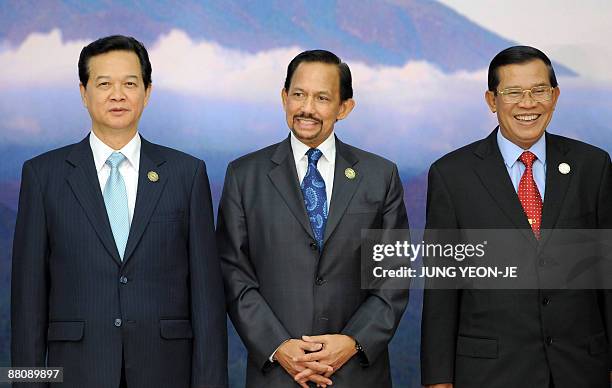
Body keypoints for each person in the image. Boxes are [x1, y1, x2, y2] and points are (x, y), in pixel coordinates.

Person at [11, 35, 227, 388]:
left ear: (148, 91)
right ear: (83, 92)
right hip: (76, 374)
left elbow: (208, 302)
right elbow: (27, 304)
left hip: (166, 373)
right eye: (104, 83)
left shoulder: (187, 174)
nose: (118, 94)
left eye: (130, 83)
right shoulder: (42, 175)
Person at [420, 45, 612, 388]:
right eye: (513, 92)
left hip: (582, 369)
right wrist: (438, 379)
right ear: (492, 101)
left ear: (554, 96)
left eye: (539, 90)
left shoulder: (593, 166)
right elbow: (442, 287)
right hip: (491, 372)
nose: (528, 103)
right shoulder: (453, 175)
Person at [217, 49, 410, 387]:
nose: (307, 108)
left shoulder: (381, 176)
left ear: (344, 107)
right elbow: (233, 272)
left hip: (357, 372)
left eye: (322, 98)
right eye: (298, 95)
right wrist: (279, 346)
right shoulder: (244, 176)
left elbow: (394, 275)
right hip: (276, 372)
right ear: (283, 98)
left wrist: (352, 342)